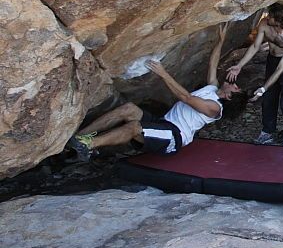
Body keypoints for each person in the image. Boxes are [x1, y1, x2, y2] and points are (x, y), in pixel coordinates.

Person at [66, 23, 241, 160]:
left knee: (134, 127)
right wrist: (221, 40)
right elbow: (213, 63)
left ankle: (88, 146)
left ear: (230, 96)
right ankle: (78, 138)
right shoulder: (212, 88)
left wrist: (163, 74)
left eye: (236, 88)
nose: (235, 84)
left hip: (174, 136)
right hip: (163, 122)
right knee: (128, 109)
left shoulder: (215, 109)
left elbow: (186, 98)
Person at [227, 3, 283, 146]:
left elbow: (280, 69)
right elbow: (255, 46)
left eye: (271, 16)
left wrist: (263, 88)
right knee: (269, 99)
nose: (267, 16)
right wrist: (239, 66)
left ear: (278, 21)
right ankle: (267, 131)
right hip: (272, 60)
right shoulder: (265, 24)